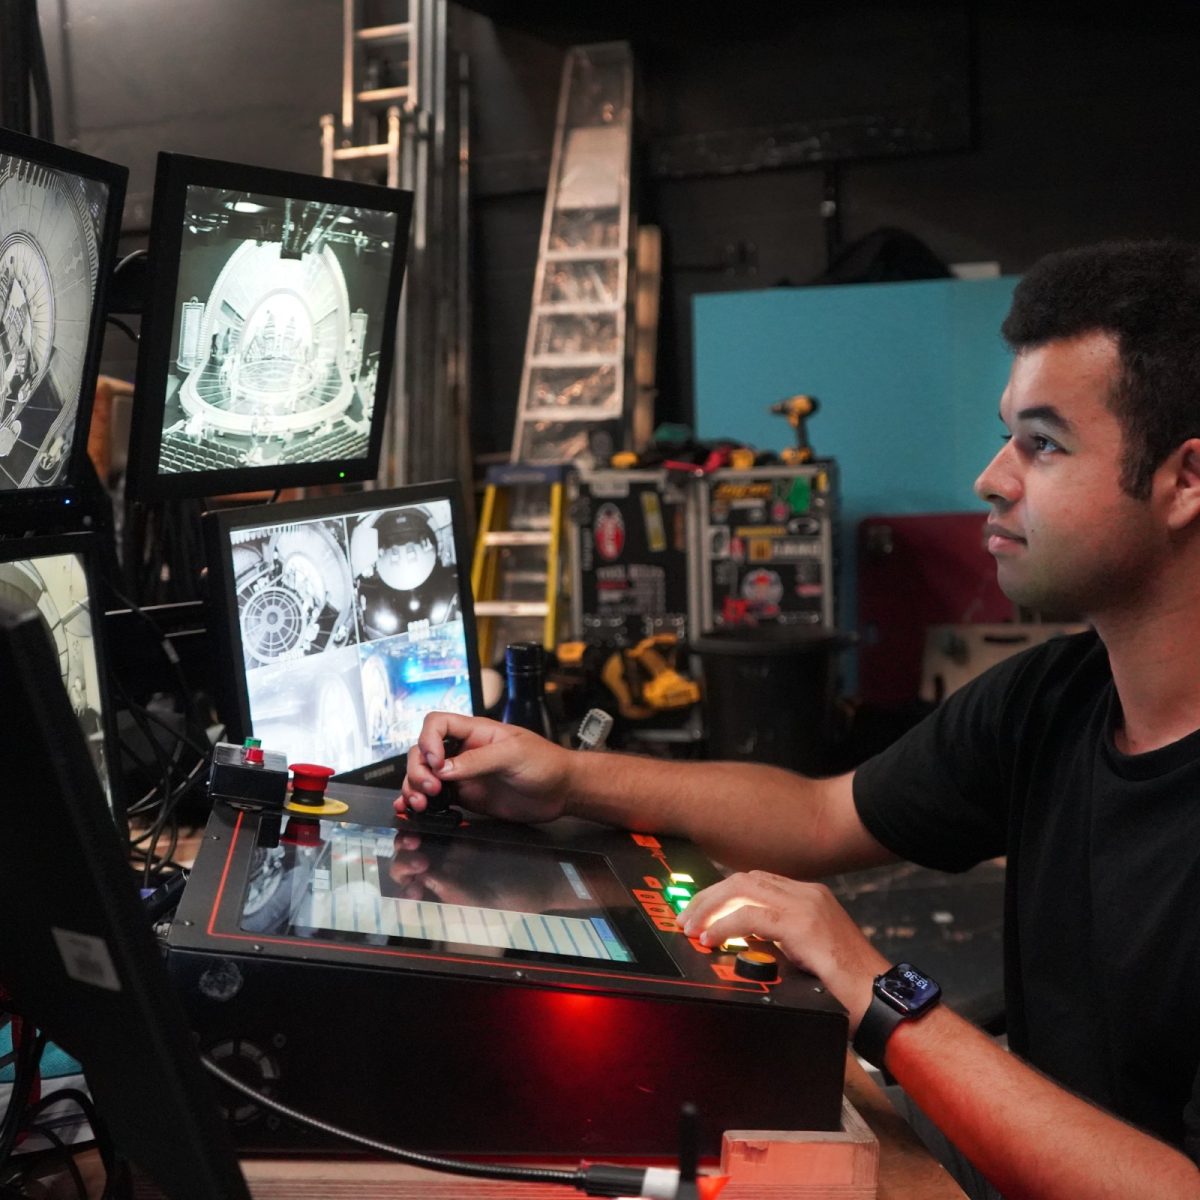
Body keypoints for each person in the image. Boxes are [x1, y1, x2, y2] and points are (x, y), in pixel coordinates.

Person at [398, 241, 1200, 1200]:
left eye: (1044, 443)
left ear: (1186, 480)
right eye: (1007, 437)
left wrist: (873, 988)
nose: (992, 478)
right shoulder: (1053, 701)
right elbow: (820, 815)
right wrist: (569, 778)